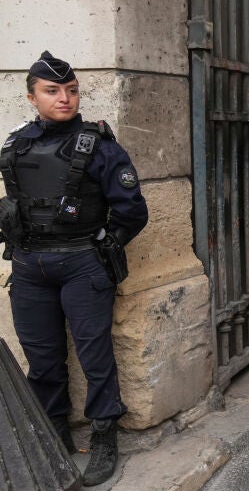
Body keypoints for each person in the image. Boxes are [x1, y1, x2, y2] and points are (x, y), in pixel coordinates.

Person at [0, 51, 149, 486]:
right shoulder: (14, 146)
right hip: (29, 269)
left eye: (71, 90)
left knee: (95, 357)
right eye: (52, 91)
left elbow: (132, 211)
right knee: (43, 361)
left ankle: (104, 435)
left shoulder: (99, 145)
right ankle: (53, 432)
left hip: (82, 264)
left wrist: (103, 249)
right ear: (31, 97)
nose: (64, 98)